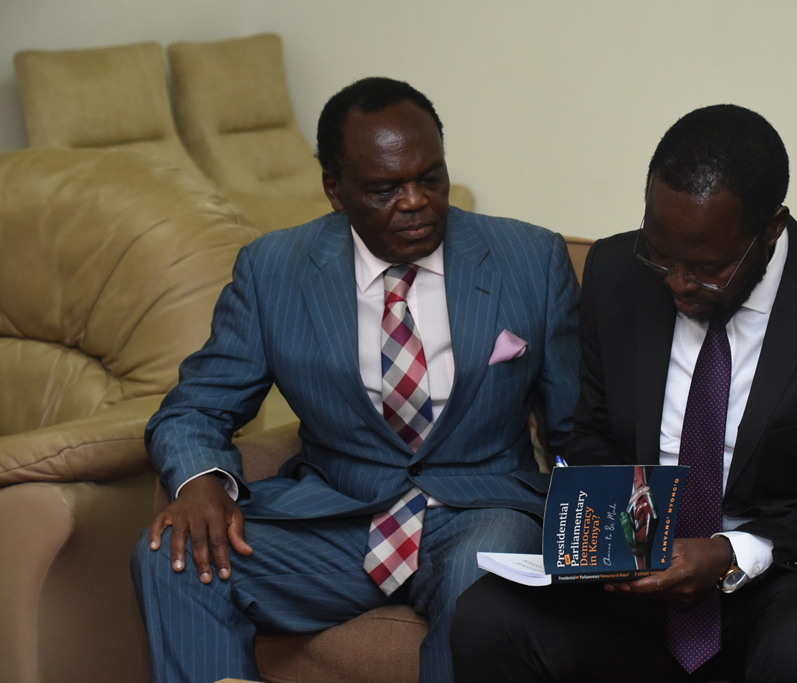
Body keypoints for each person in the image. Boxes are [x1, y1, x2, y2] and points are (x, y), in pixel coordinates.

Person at [451, 104, 797, 682]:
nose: (678, 284)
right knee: (488, 618)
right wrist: (629, 540)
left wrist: (730, 552)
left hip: (789, 572)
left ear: (772, 229)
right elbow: (594, 433)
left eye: (707, 269)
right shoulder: (615, 270)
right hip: (645, 564)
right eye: (660, 256)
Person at [131, 77, 580, 683]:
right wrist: (201, 480)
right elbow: (196, 406)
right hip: (339, 518)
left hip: (482, 510)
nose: (415, 201)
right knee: (174, 558)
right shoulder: (273, 270)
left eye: (431, 177)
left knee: (479, 577)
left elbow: (578, 424)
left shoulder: (531, 258)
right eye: (385, 189)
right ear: (335, 190)